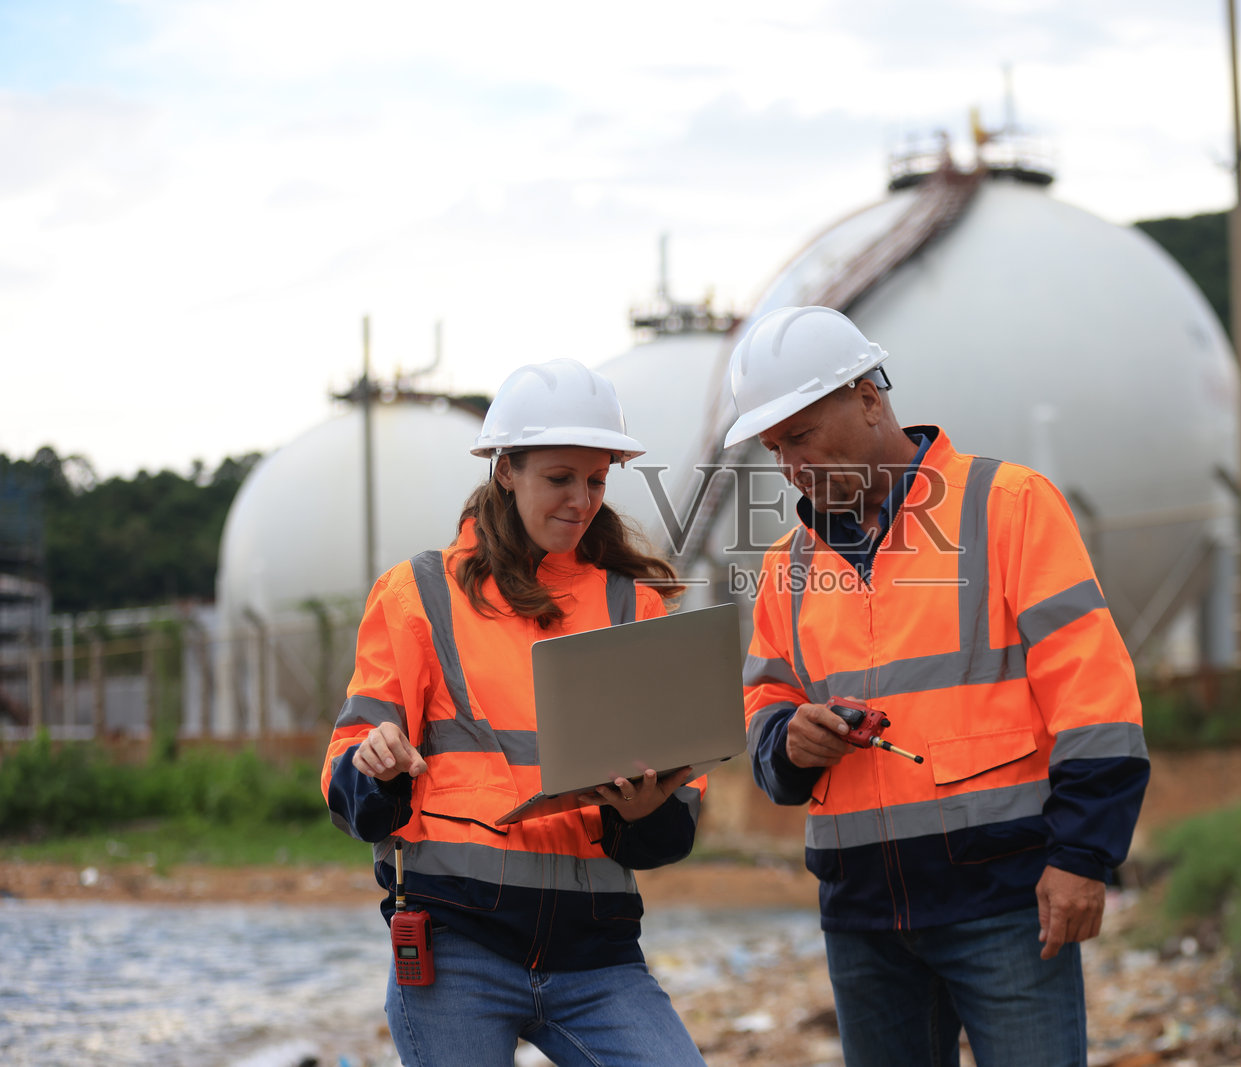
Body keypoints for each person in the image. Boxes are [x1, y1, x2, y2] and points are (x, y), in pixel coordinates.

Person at [726, 306, 1150, 1067]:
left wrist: (1084, 856)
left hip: (1006, 905)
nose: (789, 463)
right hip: (862, 920)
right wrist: (790, 740)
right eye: (774, 447)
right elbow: (765, 716)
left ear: (868, 398)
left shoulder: (1007, 506)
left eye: (801, 435)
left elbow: (1095, 698)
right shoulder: (784, 568)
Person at [321, 358, 706, 1067]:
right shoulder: (417, 594)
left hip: (598, 956)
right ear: (505, 469)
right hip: (456, 951)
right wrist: (376, 764)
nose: (583, 500)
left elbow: (673, 828)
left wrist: (646, 807)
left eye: (596, 479)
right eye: (560, 478)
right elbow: (348, 789)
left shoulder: (633, 605)